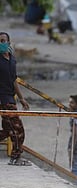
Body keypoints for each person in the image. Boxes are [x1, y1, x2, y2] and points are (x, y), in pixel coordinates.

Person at [0, 31, 31, 166]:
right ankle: (15, 158)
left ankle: (15, 157)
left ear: (8, 42)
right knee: (18, 131)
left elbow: (14, 80)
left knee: (7, 131)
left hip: (11, 98)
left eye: (3, 41)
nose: (1, 43)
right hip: (4, 99)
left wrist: (21, 98)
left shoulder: (12, 59)